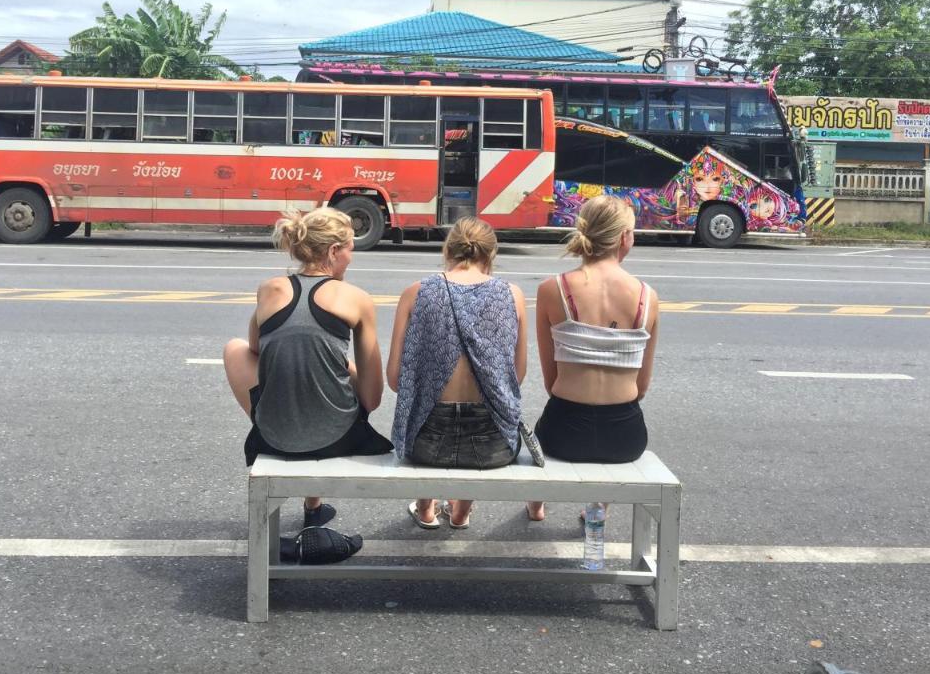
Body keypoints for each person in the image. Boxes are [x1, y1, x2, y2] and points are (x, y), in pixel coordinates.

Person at [223, 207, 392, 528]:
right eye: (350, 251)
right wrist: (342, 364)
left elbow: (256, 349)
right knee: (339, 365)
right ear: (333, 251)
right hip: (339, 437)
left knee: (235, 349)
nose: (351, 260)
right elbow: (372, 399)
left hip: (275, 437)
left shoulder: (269, 289)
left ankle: (286, 435)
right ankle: (313, 504)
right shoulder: (357, 298)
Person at [526, 195, 659, 522]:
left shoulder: (552, 289)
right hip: (625, 436)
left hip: (564, 432)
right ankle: (597, 510)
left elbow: (551, 381)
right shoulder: (647, 297)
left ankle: (535, 505)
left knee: (544, 427)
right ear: (625, 238)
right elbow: (642, 386)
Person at [388, 218, 528, 530]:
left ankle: (426, 508)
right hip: (493, 447)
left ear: (447, 250)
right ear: (490, 255)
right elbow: (516, 375)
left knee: (423, 407)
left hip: (425, 445)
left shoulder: (415, 292)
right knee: (490, 404)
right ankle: (461, 512)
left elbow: (396, 379)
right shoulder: (512, 294)